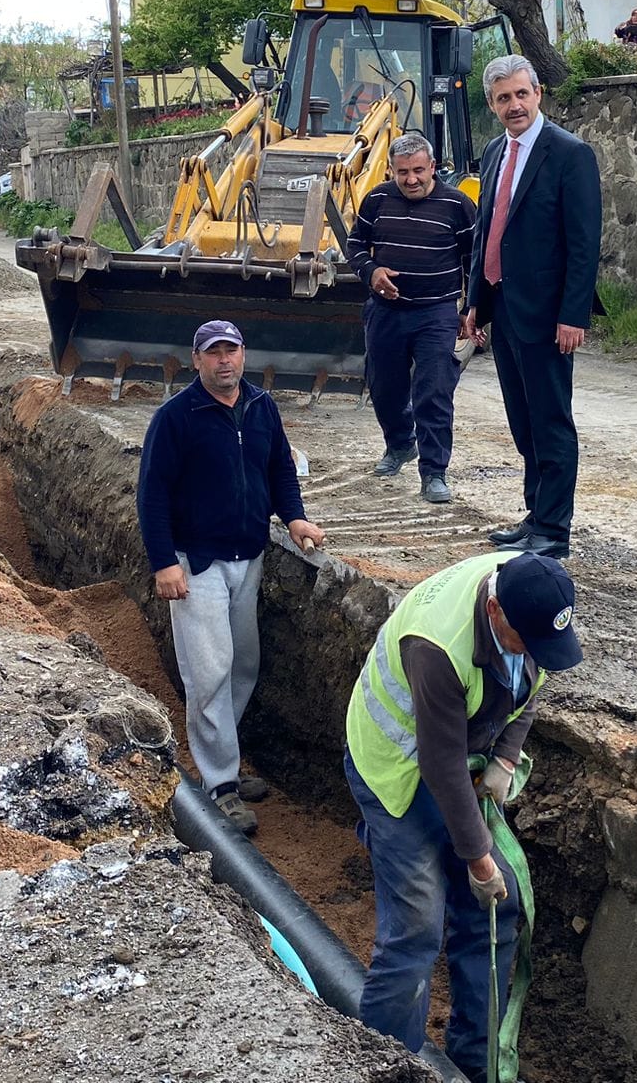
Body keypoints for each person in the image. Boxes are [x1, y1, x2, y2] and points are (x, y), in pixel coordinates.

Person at [344, 550, 582, 1082]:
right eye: (526, 642)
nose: (537, 653)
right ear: (495, 612)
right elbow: (440, 766)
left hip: (459, 761)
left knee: (496, 909)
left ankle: (478, 1064)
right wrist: (478, 860)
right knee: (415, 930)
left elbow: (529, 688)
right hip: (396, 770)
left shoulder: (532, 596)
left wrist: (504, 756)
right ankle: (389, 1067)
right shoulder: (437, 647)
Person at [138, 319, 327, 835]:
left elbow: (279, 472)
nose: (225, 360)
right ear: (196, 360)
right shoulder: (176, 418)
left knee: (243, 662)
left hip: (249, 555)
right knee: (210, 670)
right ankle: (219, 783)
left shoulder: (262, 407)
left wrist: (294, 518)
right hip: (195, 562)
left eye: (233, 350)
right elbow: (152, 494)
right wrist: (163, 562)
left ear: (244, 355)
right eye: (213, 352)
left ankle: (224, 757)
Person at [460, 56, 602, 559]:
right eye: (503, 98)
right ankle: (534, 514)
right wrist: (475, 300)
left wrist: (574, 315)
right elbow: (485, 233)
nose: (514, 105)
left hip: (547, 315)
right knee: (522, 421)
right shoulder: (496, 151)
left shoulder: (570, 154)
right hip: (504, 309)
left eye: (521, 94)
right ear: (493, 104)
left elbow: (584, 243)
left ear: (538, 93)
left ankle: (554, 531)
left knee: (550, 422)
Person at [346, 131, 478, 505]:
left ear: (433, 167)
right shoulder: (376, 199)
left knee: (433, 391)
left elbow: (475, 260)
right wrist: (371, 272)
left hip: (436, 313)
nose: (411, 179)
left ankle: (434, 472)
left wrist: (473, 311)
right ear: (392, 170)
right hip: (386, 312)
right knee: (384, 388)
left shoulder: (457, 205)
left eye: (419, 170)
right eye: (402, 172)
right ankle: (401, 443)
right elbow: (355, 245)